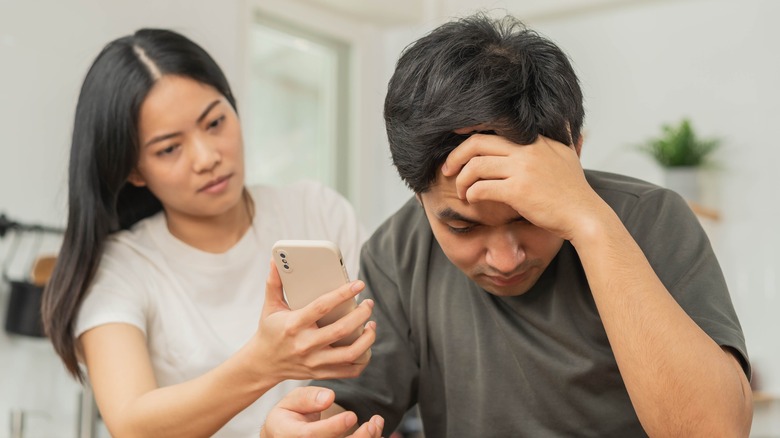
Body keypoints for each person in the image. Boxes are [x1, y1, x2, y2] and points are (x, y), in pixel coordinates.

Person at [264, 13, 753, 437]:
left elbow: (713, 430)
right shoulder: (399, 250)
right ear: (416, 190)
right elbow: (347, 407)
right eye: (463, 228)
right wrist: (303, 426)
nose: (504, 260)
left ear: (574, 153)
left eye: (530, 217)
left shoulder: (651, 219)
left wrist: (588, 221)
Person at [41, 28, 383, 438]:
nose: (207, 158)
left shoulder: (315, 211)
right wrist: (264, 363)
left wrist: (332, 420)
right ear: (133, 169)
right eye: (169, 148)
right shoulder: (121, 268)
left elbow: (379, 358)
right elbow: (131, 424)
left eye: (215, 122)